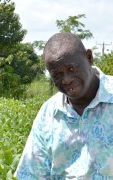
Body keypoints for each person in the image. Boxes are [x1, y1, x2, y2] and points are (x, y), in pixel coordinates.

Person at [14, 32, 113, 179]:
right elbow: (32, 174)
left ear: (89, 58)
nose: (66, 80)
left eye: (71, 69)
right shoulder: (49, 113)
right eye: (57, 74)